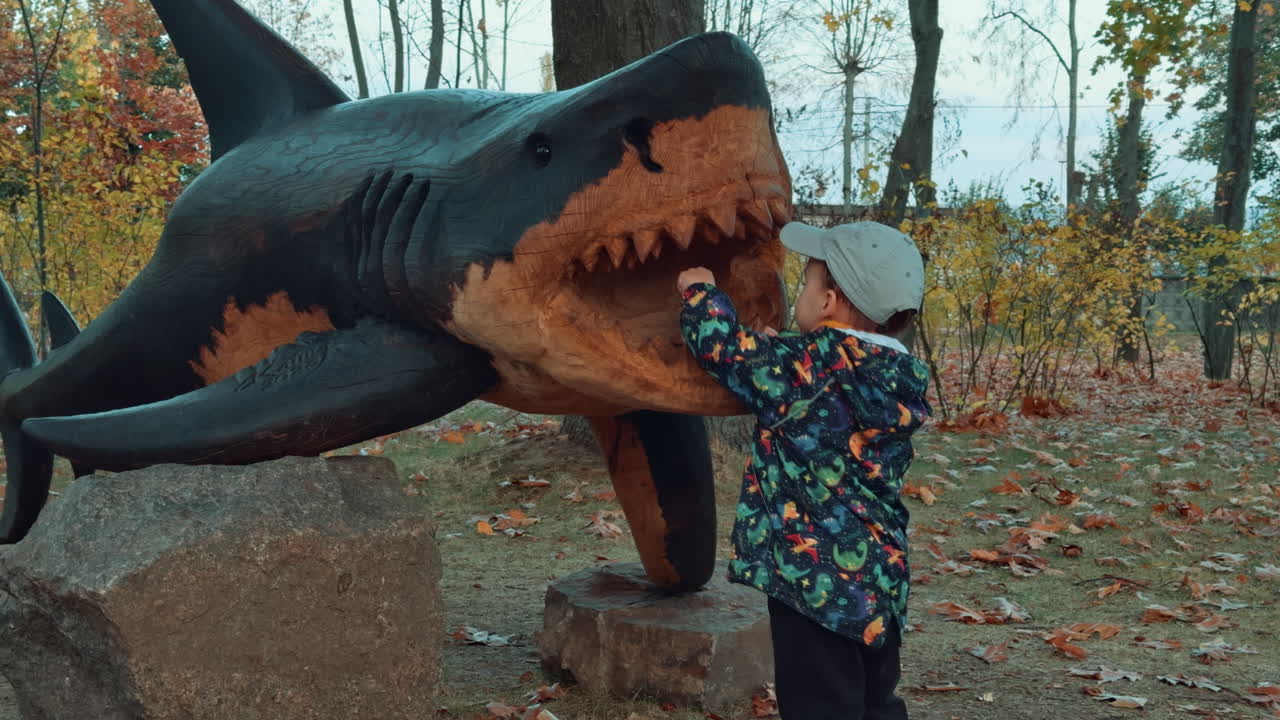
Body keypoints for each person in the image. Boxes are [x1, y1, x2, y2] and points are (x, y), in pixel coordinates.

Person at [676, 220, 932, 719]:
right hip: (881, 576)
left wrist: (700, 291)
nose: (803, 291)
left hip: (815, 587)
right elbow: (813, 382)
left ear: (829, 301)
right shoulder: (897, 375)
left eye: (809, 281)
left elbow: (724, 349)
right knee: (876, 702)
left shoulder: (805, 366)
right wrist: (782, 352)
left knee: (820, 705)